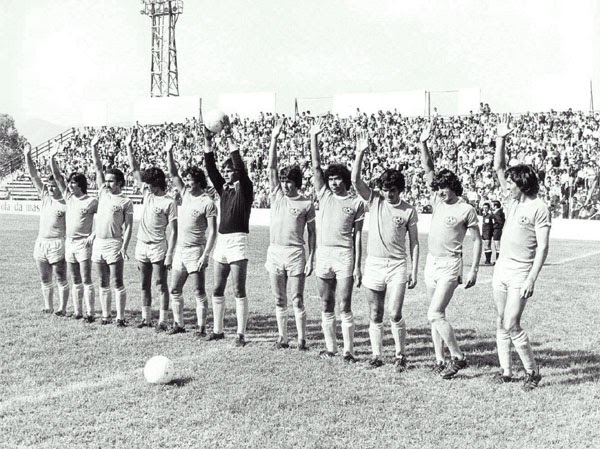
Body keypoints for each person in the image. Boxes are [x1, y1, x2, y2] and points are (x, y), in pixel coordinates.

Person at [351, 130, 419, 370]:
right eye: (386, 189)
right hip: (374, 264)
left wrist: (414, 270)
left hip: (397, 265)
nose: (389, 194)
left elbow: (414, 242)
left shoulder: (408, 210)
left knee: (395, 312)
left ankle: (401, 354)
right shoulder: (375, 200)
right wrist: (360, 153)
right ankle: (377, 355)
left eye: (393, 190)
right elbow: (355, 181)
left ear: (400, 190)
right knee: (375, 312)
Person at [493, 114, 551, 391]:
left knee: (512, 323)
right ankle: (506, 372)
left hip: (520, 271)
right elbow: (499, 166)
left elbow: (543, 247)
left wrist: (531, 278)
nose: (507, 187)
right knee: (501, 321)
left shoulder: (539, 208)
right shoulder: (512, 201)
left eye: (511, 184)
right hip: (502, 269)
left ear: (523, 185)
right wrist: (501, 138)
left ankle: (532, 371)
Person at [420, 122, 482, 379]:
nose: (439, 191)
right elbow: (428, 169)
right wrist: (423, 143)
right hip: (431, 262)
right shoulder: (437, 200)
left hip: (450, 264)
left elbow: (477, 240)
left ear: (453, 186)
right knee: (436, 314)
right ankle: (440, 359)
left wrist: (473, 270)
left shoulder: (466, 209)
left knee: (434, 313)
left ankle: (458, 356)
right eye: (437, 188)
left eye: (443, 187)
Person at [310, 117, 364, 363]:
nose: (333, 182)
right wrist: (314, 137)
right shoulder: (324, 195)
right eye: (330, 179)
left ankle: (348, 351)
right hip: (324, 254)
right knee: (326, 302)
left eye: (337, 178)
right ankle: (331, 348)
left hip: (344, 255)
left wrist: (357, 266)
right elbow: (316, 167)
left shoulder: (355, 203)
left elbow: (358, 235)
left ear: (344, 179)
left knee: (344, 304)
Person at [266, 119, 316, 350]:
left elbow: (312, 234)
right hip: (275, 251)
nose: (286, 185)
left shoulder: (306, 204)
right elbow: (271, 168)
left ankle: (302, 339)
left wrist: (311, 258)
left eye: (290, 182)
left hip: (295, 253)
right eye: (284, 181)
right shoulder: (277, 195)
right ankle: (283, 338)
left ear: (297, 183)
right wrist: (274, 139)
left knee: (297, 298)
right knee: (279, 298)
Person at [203, 116, 253, 347]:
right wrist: (208, 142)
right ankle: (218, 330)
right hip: (222, 242)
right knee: (217, 288)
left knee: (238, 289)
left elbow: (240, 166)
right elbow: (211, 168)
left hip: (238, 241)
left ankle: (241, 334)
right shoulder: (223, 190)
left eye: (229, 169)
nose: (226, 172)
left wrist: (229, 136)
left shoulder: (246, 189)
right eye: (226, 169)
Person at [165, 134, 217, 336]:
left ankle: (201, 328)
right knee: (174, 289)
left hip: (196, 251)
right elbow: (173, 174)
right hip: (180, 250)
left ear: (199, 181)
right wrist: (169, 151)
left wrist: (205, 255)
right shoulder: (185, 194)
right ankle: (179, 324)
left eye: (190, 179)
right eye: (185, 179)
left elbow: (212, 231)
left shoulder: (207, 202)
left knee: (198, 291)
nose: (186, 182)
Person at [125, 132, 178, 331]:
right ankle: (146, 319)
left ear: (158, 183)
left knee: (160, 283)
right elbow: (134, 170)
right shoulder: (147, 194)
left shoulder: (169, 202)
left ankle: (163, 320)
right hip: (141, 245)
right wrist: (129, 147)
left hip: (158, 246)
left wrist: (170, 254)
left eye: (150, 182)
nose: (146, 185)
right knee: (143, 284)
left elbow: (174, 231)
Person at [49, 142, 98, 322]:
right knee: (75, 278)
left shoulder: (91, 201)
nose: (70, 185)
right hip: (69, 243)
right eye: (69, 182)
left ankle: (90, 313)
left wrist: (93, 235)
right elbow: (57, 176)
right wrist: (52, 158)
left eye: (73, 183)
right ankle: (78, 312)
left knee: (86, 278)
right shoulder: (68, 198)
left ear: (81, 185)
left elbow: (104, 218)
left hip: (83, 243)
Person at [91, 134, 133, 327]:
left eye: (111, 181)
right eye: (106, 181)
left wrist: (124, 246)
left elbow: (129, 225)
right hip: (98, 243)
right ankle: (106, 316)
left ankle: (120, 318)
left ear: (120, 183)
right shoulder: (102, 193)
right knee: (102, 281)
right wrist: (94, 147)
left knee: (117, 281)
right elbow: (97, 167)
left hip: (114, 243)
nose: (107, 184)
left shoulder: (126, 201)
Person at [24, 142, 68, 315]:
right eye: (49, 186)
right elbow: (34, 175)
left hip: (57, 243)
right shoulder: (45, 197)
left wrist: (52, 158)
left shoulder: (66, 202)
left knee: (60, 277)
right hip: (41, 242)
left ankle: (62, 308)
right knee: (44, 277)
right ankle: (48, 306)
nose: (50, 188)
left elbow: (58, 177)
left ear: (60, 185)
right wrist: (27, 155)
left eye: (54, 186)